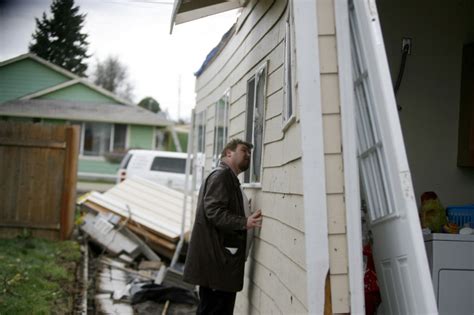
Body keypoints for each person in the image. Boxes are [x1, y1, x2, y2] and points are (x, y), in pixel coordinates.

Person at [183, 139, 263, 315]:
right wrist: (244, 222)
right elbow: (214, 211)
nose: (248, 155)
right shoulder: (221, 176)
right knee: (214, 310)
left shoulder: (228, 178)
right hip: (216, 264)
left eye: (250, 153)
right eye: (244, 151)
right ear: (229, 153)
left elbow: (220, 207)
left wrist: (241, 209)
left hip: (219, 263)